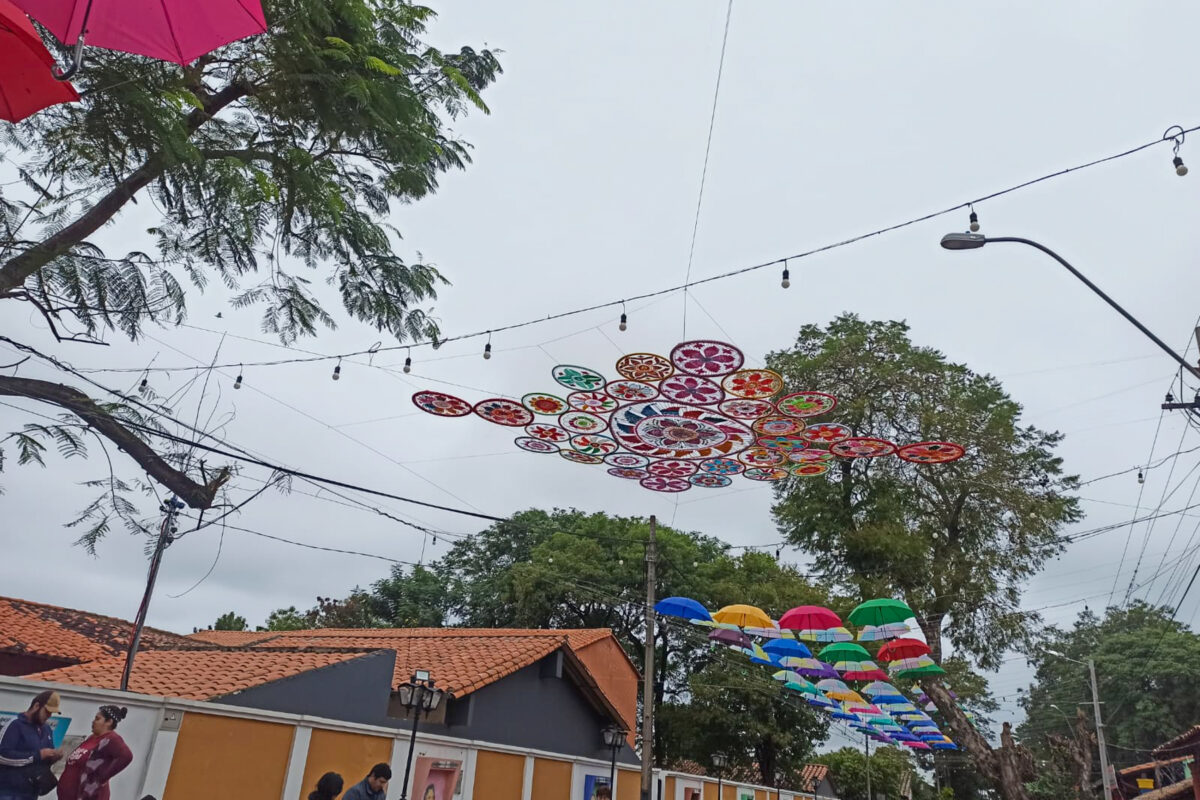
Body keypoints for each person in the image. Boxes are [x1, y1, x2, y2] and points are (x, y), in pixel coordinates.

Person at [56, 705, 133, 800]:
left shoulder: (111, 739)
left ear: (109, 722)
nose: (93, 721)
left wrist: (103, 777)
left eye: (98, 719)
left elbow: (127, 756)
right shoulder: (91, 738)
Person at [0, 690, 64, 800]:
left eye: (51, 713)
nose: (49, 716)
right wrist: (37, 755)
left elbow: (43, 760)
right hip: (9, 792)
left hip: (32, 792)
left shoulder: (47, 729)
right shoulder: (15, 725)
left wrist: (53, 757)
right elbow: (2, 756)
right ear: (36, 706)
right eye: (47, 711)